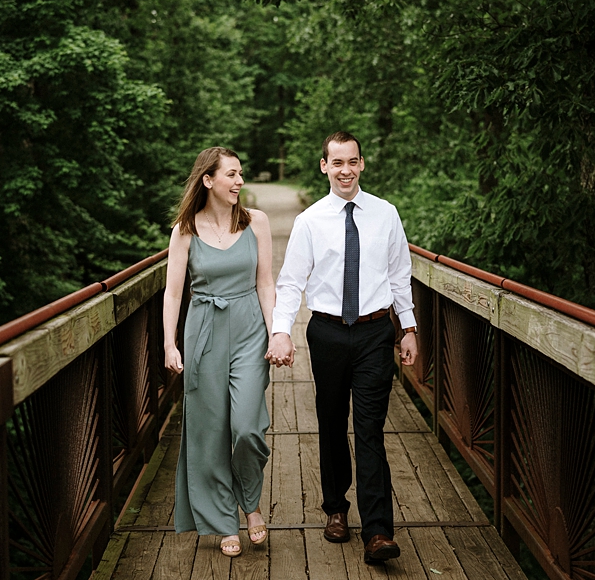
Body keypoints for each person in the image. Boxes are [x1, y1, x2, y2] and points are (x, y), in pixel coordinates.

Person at [265, 131, 418, 564]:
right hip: (327, 332)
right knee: (331, 422)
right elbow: (292, 282)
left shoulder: (386, 214)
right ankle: (335, 509)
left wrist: (409, 328)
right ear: (324, 166)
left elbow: (399, 275)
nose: (345, 170)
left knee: (369, 429)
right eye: (337, 163)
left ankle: (378, 532)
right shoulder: (310, 221)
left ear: (362, 164)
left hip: (374, 333)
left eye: (352, 162)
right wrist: (281, 331)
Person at [163, 147, 275, 558]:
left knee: (247, 426)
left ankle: (251, 501)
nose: (240, 182)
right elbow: (174, 291)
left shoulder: (256, 222)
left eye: (241, 174)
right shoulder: (185, 230)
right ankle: (225, 519)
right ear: (208, 180)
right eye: (232, 174)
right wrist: (169, 342)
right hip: (204, 329)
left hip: (248, 329)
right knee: (209, 431)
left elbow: (266, 284)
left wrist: (278, 332)